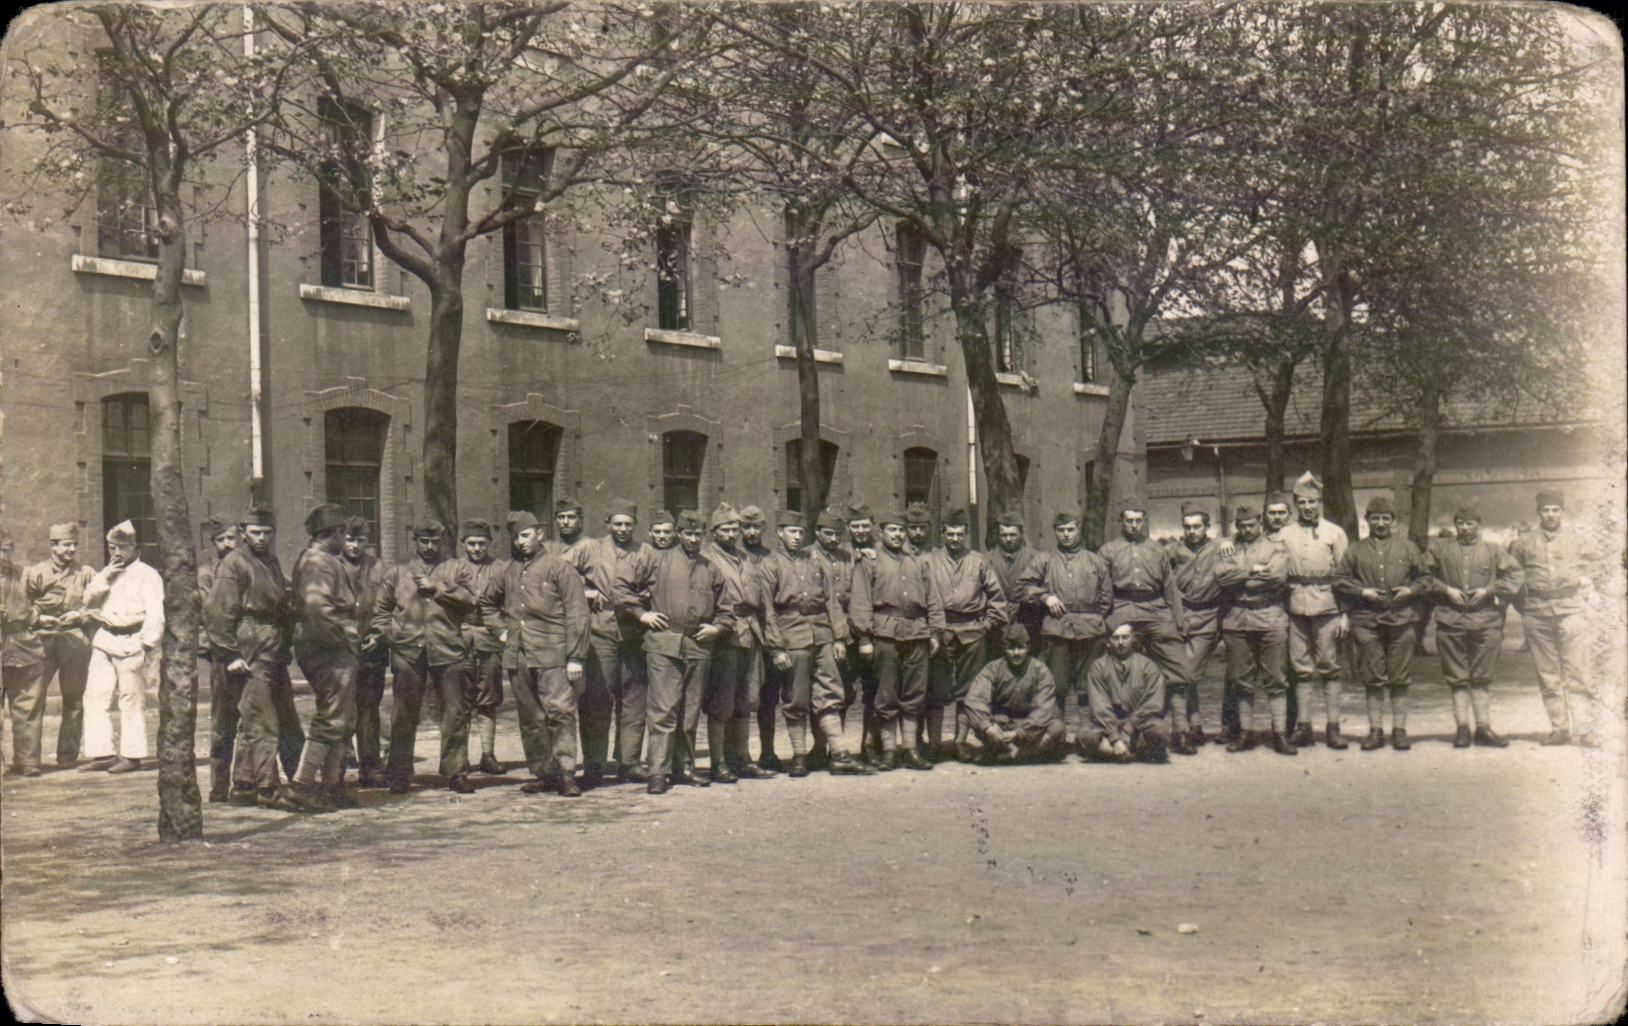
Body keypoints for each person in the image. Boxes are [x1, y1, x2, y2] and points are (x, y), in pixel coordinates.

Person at [616, 510, 729, 794]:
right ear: (679, 534)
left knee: (690, 711)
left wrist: (716, 628)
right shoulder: (656, 559)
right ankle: (658, 771)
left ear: (704, 536)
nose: (692, 539)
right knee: (663, 709)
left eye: (697, 534)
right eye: (687, 534)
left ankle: (685, 768)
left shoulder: (710, 567)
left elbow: (727, 608)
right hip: (664, 643)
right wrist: (642, 615)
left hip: (698, 644)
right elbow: (620, 587)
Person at [207, 506, 304, 806]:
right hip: (248, 644)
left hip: (272, 644)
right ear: (243, 532)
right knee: (262, 718)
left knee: (277, 716)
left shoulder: (271, 562)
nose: (261, 538)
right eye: (255, 532)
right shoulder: (234, 563)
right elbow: (218, 612)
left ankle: (244, 784)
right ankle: (267, 788)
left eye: (267, 532)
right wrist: (230, 653)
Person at [372, 522, 478, 794]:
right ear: (414, 540)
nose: (430, 547)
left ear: (442, 540)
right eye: (424, 541)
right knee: (404, 713)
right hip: (408, 650)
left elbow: (471, 600)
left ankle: (456, 772)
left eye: (434, 541)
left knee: (455, 712)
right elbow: (381, 610)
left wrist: (438, 587)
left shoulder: (458, 568)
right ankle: (399, 772)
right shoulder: (397, 572)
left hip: (448, 648)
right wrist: (390, 635)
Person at [759, 509, 861, 777]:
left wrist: (839, 637)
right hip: (792, 636)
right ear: (779, 533)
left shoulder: (813, 561)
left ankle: (839, 754)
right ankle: (799, 756)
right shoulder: (770, 565)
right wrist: (776, 648)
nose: (796, 537)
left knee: (831, 691)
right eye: (791, 532)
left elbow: (830, 601)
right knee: (796, 697)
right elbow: (767, 610)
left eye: (800, 532)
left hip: (822, 634)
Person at [277, 504, 363, 811]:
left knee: (342, 717)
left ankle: (332, 788)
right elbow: (317, 611)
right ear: (335, 533)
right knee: (331, 718)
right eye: (344, 533)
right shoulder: (319, 563)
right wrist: (347, 638)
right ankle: (301, 786)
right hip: (328, 650)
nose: (347, 538)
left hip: (330, 647)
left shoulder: (322, 560)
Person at [499, 510, 589, 796]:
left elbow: (577, 613)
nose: (520, 542)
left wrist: (576, 656)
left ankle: (566, 773)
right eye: (515, 537)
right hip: (519, 654)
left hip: (554, 654)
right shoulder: (509, 570)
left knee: (560, 712)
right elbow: (487, 602)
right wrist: (499, 630)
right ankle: (543, 772)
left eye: (525, 535)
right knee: (530, 718)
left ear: (539, 534)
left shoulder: (559, 568)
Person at [850, 508, 945, 770]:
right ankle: (890, 751)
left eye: (901, 530)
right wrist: (865, 637)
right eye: (892, 530)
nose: (898, 535)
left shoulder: (919, 561)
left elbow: (934, 598)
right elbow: (860, 602)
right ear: (881, 533)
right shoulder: (869, 561)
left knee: (914, 694)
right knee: (886, 693)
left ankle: (911, 750)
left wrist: (935, 631)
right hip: (884, 633)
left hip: (916, 632)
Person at [1507, 489, 1603, 747]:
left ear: (1562, 512)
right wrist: (1525, 607)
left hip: (1571, 611)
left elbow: (1600, 567)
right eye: (1546, 510)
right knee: (1548, 674)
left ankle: (1585, 730)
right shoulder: (1522, 543)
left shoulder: (1578, 541)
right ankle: (1559, 728)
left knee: (1578, 671)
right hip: (1537, 612)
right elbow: (1511, 578)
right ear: (1538, 513)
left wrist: (1587, 594)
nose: (1550, 514)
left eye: (1555, 510)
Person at [1333, 494, 1428, 751]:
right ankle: (1375, 731)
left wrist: (1410, 590)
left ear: (1394, 521)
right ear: (1367, 521)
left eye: (1386, 518)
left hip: (1402, 619)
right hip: (1367, 621)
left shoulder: (1408, 548)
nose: (1381, 523)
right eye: (1376, 518)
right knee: (1373, 677)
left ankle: (1399, 730)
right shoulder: (1356, 550)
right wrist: (1362, 592)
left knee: (1400, 677)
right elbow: (1339, 579)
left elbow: (1425, 578)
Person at [566, 498, 650, 786]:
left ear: (635, 526)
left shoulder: (645, 552)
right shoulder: (589, 549)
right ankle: (594, 765)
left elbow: (656, 582)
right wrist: (586, 592)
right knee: (597, 699)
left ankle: (629, 762)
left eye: (628, 524)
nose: (623, 529)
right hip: (600, 631)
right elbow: (559, 573)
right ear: (608, 524)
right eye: (617, 524)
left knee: (634, 699)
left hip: (635, 633)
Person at [1426, 503, 1523, 748]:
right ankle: (1462, 729)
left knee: (1482, 677)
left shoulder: (1493, 550)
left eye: (1470, 524)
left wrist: (1489, 590)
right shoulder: (1440, 549)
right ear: (1455, 525)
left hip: (1486, 621)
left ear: (1479, 525)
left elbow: (1515, 575)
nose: (1465, 528)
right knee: (1457, 678)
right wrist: (1446, 590)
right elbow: (1423, 575)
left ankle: (1483, 728)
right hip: (1451, 620)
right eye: (1461, 523)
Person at [1017, 511, 1113, 750]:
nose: (1066, 535)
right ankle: (1057, 734)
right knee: (1056, 684)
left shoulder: (1095, 561)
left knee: (1087, 684)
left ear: (1078, 529)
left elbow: (1107, 597)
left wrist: (1093, 618)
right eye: (1061, 530)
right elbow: (1023, 587)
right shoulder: (1044, 560)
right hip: (1057, 629)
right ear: (1055, 533)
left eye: (1070, 529)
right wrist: (1045, 597)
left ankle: (1085, 735)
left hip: (1090, 630)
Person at [77, 521, 164, 774]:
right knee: (94, 697)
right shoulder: (106, 572)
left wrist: (148, 645)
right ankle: (102, 752)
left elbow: (156, 614)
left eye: (122, 548)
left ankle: (132, 755)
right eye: (112, 547)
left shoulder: (148, 575)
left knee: (130, 699)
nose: (116, 553)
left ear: (134, 547)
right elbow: (88, 599)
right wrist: (105, 577)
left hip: (132, 641)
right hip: (105, 640)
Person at [926, 508, 1009, 762]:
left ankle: (961, 742)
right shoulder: (929, 561)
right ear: (943, 534)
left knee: (968, 691)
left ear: (966, 535)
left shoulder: (979, 561)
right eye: (950, 534)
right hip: (939, 632)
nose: (954, 539)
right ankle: (935, 744)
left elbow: (997, 599)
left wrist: (986, 626)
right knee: (936, 690)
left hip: (972, 633)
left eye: (959, 534)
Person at [1213, 505, 1296, 756]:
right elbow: (1220, 577)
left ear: (1259, 522)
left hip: (1270, 616)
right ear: (1237, 525)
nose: (1247, 529)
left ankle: (1280, 733)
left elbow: (1277, 577)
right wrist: (1253, 571)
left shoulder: (1275, 547)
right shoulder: (1228, 548)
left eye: (1251, 524)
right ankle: (1245, 733)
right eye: (1242, 525)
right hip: (1237, 618)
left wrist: (1239, 577)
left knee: (1276, 679)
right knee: (1242, 680)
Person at [700, 503, 772, 780]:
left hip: (751, 632)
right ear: (714, 531)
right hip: (725, 637)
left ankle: (741, 758)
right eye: (725, 529)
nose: (732, 534)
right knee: (722, 701)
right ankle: (719, 762)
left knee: (747, 698)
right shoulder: (708, 559)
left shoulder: (744, 558)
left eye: (735, 529)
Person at [1278, 472, 1350, 749]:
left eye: (1312, 502)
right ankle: (1304, 726)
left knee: (1330, 668)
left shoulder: (1335, 533)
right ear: (1295, 504)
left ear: (1320, 502)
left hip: (1328, 606)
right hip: (1294, 606)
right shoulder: (1283, 534)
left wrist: (1345, 614)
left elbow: (1344, 577)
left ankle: (1333, 728)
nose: (1307, 507)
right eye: (1302, 502)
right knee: (1301, 668)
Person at [1098, 497, 1189, 700]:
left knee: (1180, 668)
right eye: (1129, 520)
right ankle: (1124, 717)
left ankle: (1177, 725)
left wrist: (1178, 621)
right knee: (1121, 667)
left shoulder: (1157, 550)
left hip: (1155, 608)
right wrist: (1104, 620)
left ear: (1145, 520)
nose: (1134, 525)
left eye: (1138, 520)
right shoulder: (1108, 551)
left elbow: (1169, 586)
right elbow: (1101, 588)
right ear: (1121, 521)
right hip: (1121, 608)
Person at [24, 522, 95, 769]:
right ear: (53, 546)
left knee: (74, 700)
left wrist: (80, 617)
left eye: (75, 544)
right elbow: (22, 605)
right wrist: (37, 617)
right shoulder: (36, 573)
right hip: (41, 642)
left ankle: (67, 758)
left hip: (74, 641)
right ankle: (29, 760)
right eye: (67, 545)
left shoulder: (86, 574)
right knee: (33, 700)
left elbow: (96, 606)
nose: (72, 549)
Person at [1165, 502, 1226, 752]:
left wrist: (1227, 542)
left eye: (1197, 527)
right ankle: (1195, 726)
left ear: (1207, 527)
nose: (1192, 531)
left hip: (1208, 617)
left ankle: (1180, 730)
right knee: (1183, 673)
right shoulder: (1172, 551)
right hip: (1179, 617)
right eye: (1187, 527)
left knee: (1185, 672)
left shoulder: (1220, 548)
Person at [962, 624, 1064, 763]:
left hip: (1030, 728)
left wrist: (1019, 733)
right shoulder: (993, 669)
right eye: (1011, 648)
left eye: (1020, 648)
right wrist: (988, 727)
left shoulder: (1040, 671)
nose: (1016, 653)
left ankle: (1015, 754)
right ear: (1004, 648)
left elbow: (1043, 710)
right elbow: (974, 700)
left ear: (1028, 647)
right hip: (1003, 725)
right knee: (980, 724)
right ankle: (1026, 754)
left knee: (1057, 728)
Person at [457, 519, 511, 775]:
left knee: (488, 698)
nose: (477, 549)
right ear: (463, 545)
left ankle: (488, 755)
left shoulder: (502, 569)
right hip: (460, 639)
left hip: (491, 640)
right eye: (471, 544)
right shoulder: (454, 569)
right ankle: (461, 758)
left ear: (489, 544)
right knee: (461, 699)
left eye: (481, 543)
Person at [342, 517, 390, 788]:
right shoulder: (333, 566)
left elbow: (386, 606)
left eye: (360, 540)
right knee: (342, 708)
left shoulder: (378, 567)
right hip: (341, 649)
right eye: (349, 539)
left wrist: (378, 634)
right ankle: (337, 765)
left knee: (369, 709)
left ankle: (370, 767)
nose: (355, 545)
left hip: (372, 649)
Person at [1082, 623, 1171, 763]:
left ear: (1133, 639)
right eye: (1115, 638)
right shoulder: (1098, 667)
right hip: (1110, 724)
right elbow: (1100, 707)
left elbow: (1153, 704)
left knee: (1161, 731)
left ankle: (1115, 752)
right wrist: (1115, 738)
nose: (1121, 643)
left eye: (1125, 637)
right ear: (1108, 641)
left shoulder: (1148, 666)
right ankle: (1129, 751)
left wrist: (1129, 728)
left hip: (1139, 724)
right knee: (1084, 736)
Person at [810, 507, 857, 769]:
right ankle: (819, 747)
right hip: (820, 630)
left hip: (845, 631)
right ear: (817, 532)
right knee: (821, 691)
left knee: (845, 691)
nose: (833, 539)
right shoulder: (808, 556)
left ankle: (834, 747)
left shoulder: (847, 557)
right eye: (828, 533)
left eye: (837, 534)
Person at [740, 505, 783, 772]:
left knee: (770, 696)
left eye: (756, 527)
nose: (752, 532)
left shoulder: (772, 558)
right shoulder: (735, 556)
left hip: (771, 632)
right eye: (747, 527)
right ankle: (739, 754)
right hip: (743, 632)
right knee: (742, 693)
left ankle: (768, 751)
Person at [1, 527, 46, 776]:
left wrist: (34, 612)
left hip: (23, 645)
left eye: (6, 549)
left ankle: (27, 759)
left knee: (27, 705)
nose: (2, 556)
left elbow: (48, 594)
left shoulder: (24, 574)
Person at [986, 511, 1044, 655]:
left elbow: (1043, 589)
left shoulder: (1035, 558)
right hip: (998, 620)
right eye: (1004, 535)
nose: (1008, 539)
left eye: (1012, 535)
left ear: (1021, 534)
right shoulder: (987, 559)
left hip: (1027, 618)